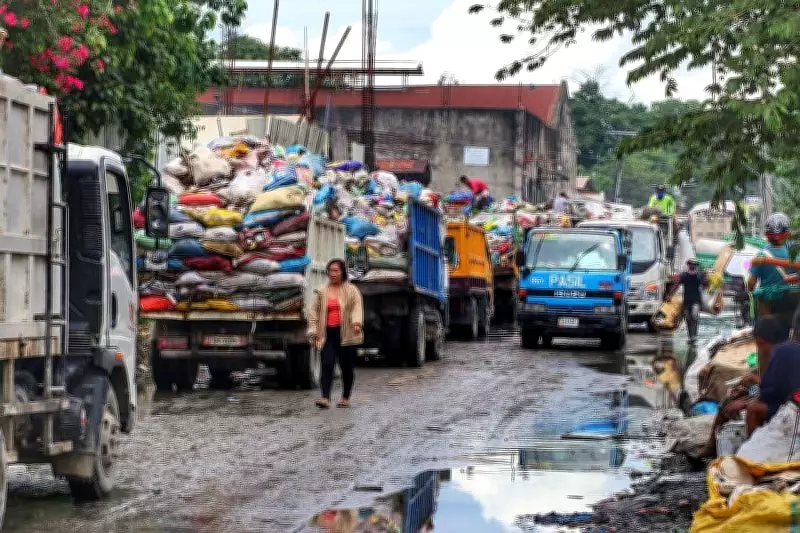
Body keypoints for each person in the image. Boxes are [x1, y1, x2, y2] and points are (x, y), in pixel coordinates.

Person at [704, 314, 790, 455]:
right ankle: (711, 447)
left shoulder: (783, 355)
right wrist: (748, 390)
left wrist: (749, 397)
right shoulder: (775, 355)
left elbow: (780, 393)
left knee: (752, 409)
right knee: (728, 402)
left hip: (788, 406)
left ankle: (755, 455)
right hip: (779, 400)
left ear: (761, 341)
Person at [307, 259, 364, 409]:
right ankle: (325, 398)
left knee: (346, 367)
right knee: (327, 364)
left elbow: (356, 308)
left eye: (336, 271)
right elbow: (314, 313)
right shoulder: (322, 291)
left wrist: (356, 322)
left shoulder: (351, 290)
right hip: (328, 334)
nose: (333, 274)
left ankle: (345, 397)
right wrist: (313, 331)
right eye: (330, 271)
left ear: (343, 272)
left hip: (347, 334)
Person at [748, 212, 799, 318]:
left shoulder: (761, 255)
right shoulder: (795, 253)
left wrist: (750, 288)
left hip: (768, 305)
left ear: (767, 235)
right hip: (792, 304)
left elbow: (751, 283)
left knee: (762, 298)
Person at [673, 257, 707, 343]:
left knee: (694, 316)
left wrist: (707, 279)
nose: (693, 265)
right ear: (688, 265)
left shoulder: (700, 275)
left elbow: (705, 285)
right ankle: (690, 336)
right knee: (687, 318)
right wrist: (670, 294)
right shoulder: (683, 275)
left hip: (696, 300)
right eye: (691, 264)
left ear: (696, 265)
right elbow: (677, 285)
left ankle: (694, 336)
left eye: (694, 264)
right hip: (687, 300)